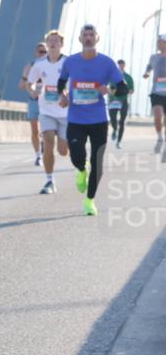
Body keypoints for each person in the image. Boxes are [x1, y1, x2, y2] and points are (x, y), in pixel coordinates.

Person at [57, 24, 129, 215]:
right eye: (84, 35)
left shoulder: (107, 63)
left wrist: (111, 91)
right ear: (80, 39)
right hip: (76, 119)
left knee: (97, 162)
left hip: (98, 120)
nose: (88, 38)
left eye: (91, 35)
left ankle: (89, 201)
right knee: (76, 156)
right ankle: (81, 170)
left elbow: (123, 88)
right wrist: (62, 95)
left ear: (97, 38)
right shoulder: (71, 61)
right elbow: (61, 82)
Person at [27, 31, 68, 194]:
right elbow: (30, 83)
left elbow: (75, 83)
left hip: (65, 112)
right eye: (50, 41)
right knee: (48, 141)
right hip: (46, 110)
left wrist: (68, 95)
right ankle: (50, 181)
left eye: (56, 41)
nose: (52, 43)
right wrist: (33, 91)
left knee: (63, 151)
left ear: (61, 44)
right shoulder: (39, 64)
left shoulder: (68, 62)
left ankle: (71, 150)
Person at [20, 42, 48, 165]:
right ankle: (38, 156)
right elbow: (22, 84)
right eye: (40, 51)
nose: (42, 54)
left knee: (46, 131)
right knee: (35, 130)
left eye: (44, 52)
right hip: (33, 102)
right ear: (36, 53)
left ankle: (45, 150)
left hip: (47, 102)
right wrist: (29, 89)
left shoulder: (51, 66)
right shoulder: (29, 66)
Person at [143, 33, 166, 160]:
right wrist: (146, 72)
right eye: (158, 41)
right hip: (157, 91)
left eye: (160, 41)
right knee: (158, 115)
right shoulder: (154, 57)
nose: (158, 43)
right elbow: (149, 66)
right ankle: (159, 138)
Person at [108, 59, 134, 149]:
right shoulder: (111, 76)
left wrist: (127, 91)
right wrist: (111, 91)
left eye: (122, 65)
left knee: (122, 121)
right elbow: (106, 87)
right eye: (119, 65)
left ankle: (118, 142)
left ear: (124, 66)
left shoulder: (128, 77)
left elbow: (131, 90)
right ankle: (114, 130)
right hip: (113, 101)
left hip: (123, 101)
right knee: (113, 119)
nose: (120, 67)